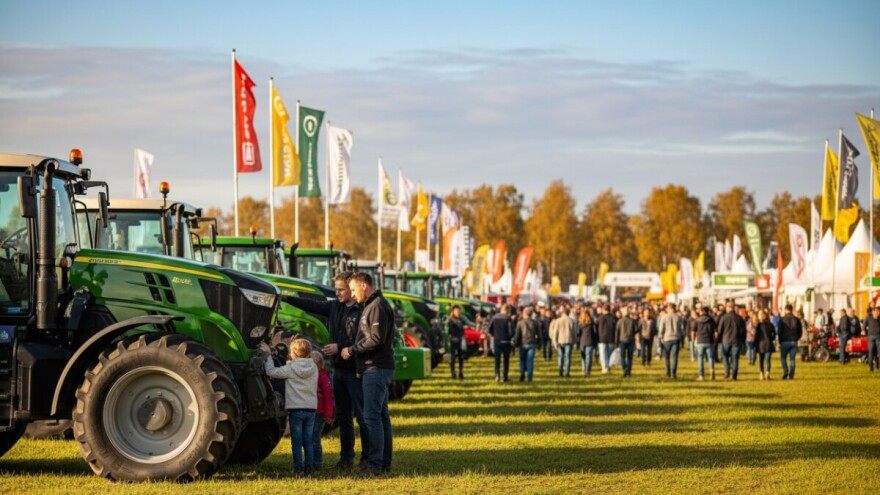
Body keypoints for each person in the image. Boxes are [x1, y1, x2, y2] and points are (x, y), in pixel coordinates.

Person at [286, 271, 365, 470]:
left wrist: (339, 347)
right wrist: (287, 298)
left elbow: (362, 339)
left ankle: (368, 458)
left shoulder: (361, 310)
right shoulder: (335, 306)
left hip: (355, 370)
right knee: (345, 417)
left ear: (352, 288)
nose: (337, 293)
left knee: (363, 416)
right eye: (336, 289)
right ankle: (346, 458)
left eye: (341, 290)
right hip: (338, 370)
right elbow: (312, 305)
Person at [341, 272, 396, 475]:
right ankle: (383, 462)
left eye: (354, 290)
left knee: (371, 416)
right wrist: (360, 367)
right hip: (372, 368)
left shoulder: (377, 306)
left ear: (364, 286)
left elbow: (376, 339)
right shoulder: (370, 306)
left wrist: (351, 350)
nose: (353, 295)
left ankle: (374, 464)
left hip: (377, 368)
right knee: (381, 416)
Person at [260, 338, 318, 477]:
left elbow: (271, 372)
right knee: (308, 440)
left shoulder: (291, 368)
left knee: (297, 441)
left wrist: (268, 355)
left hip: (296, 409)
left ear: (292, 353)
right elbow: (299, 368)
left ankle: (298, 470)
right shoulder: (314, 367)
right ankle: (310, 468)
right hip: (310, 409)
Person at [311, 351, 334, 472]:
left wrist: (328, 415)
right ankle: (310, 461)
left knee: (315, 437)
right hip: (310, 411)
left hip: (319, 413)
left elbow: (328, 397)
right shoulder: (310, 376)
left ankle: (317, 462)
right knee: (310, 437)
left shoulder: (323, 377)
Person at [512, 307, 540, 382]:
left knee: (522, 360)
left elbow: (517, 334)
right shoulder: (535, 322)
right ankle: (529, 378)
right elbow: (539, 334)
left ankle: (522, 373)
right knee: (530, 361)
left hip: (523, 343)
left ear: (524, 313)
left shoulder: (520, 322)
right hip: (532, 343)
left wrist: (516, 345)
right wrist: (539, 344)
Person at [488, 304, 514, 382]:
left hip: (497, 340)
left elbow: (489, 329)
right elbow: (511, 331)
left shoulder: (494, 317)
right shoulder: (508, 319)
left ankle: (497, 374)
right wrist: (510, 337)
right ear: (507, 310)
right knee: (506, 359)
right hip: (506, 341)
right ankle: (505, 376)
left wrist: (494, 335)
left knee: (497, 359)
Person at [717, 302, 743, 380]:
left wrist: (719, 339)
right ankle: (734, 375)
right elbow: (743, 330)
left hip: (726, 339)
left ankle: (727, 371)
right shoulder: (739, 318)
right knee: (735, 358)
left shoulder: (724, 317)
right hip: (736, 340)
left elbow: (720, 330)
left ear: (728, 308)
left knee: (724, 356)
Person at [778, 304, 802, 379]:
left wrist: (780, 340)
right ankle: (791, 375)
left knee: (783, 358)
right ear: (792, 310)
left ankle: (785, 370)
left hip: (784, 341)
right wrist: (796, 338)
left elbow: (779, 331)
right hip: (793, 341)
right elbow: (800, 331)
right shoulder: (797, 320)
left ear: (785, 309)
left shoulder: (782, 319)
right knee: (792, 359)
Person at [550, 307, 576, 377]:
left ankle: (560, 372)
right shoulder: (571, 321)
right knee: (567, 357)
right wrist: (574, 342)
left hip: (560, 341)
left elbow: (555, 333)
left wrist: (555, 342)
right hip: (569, 340)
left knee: (560, 357)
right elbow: (574, 332)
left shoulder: (558, 320)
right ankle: (567, 372)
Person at [658, 304, 682, 378]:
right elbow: (681, 328)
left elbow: (661, 329)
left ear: (668, 308)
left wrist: (661, 337)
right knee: (675, 357)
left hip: (667, 338)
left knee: (667, 357)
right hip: (676, 338)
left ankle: (668, 373)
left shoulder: (664, 317)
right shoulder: (678, 317)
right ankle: (673, 373)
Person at [692, 307, 716, 381]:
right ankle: (711, 369)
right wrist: (714, 339)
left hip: (700, 341)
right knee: (711, 357)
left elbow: (693, 331)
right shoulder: (711, 320)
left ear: (701, 312)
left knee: (700, 358)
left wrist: (693, 340)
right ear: (708, 312)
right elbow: (716, 331)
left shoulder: (697, 320)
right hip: (709, 341)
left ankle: (701, 375)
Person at [615, 307, 637, 377]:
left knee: (623, 357)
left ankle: (624, 369)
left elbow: (617, 333)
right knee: (630, 357)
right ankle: (629, 371)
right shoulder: (632, 321)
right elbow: (636, 330)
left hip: (622, 341)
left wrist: (616, 344)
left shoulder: (619, 321)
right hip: (630, 340)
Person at [754, 310, 776, 380]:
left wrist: (755, 343)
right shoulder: (770, 324)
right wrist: (771, 339)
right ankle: (767, 372)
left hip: (761, 344)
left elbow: (756, 335)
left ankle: (761, 373)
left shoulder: (759, 325)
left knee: (761, 360)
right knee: (768, 360)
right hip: (769, 344)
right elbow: (774, 334)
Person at [447, 305, 466, 380]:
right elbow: (447, 331)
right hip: (453, 341)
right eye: (457, 311)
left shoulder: (461, 320)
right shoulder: (450, 320)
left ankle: (461, 373)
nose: (458, 312)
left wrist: (463, 336)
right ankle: (453, 373)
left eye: (459, 311)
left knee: (461, 358)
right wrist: (451, 338)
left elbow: (462, 330)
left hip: (460, 340)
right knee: (453, 358)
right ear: (453, 311)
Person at [577, 309, 597, 377]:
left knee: (583, 357)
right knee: (589, 357)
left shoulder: (580, 324)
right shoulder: (592, 324)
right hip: (590, 341)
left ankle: (583, 370)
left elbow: (578, 333)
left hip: (582, 341)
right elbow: (595, 332)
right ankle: (588, 370)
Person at [597, 305, 616, 373]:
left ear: (603, 309)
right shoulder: (613, 318)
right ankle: (608, 366)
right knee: (609, 354)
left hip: (601, 338)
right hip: (611, 338)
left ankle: (605, 367)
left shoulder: (599, 318)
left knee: (603, 354)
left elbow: (596, 328)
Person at [865, 306, 880, 372]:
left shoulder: (877, 318)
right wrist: (867, 334)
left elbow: (864, 326)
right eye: (876, 311)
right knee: (871, 352)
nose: (877, 313)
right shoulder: (869, 317)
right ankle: (871, 366)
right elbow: (864, 326)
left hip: (876, 336)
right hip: (873, 336)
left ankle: (876, 366)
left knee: (876, 352)